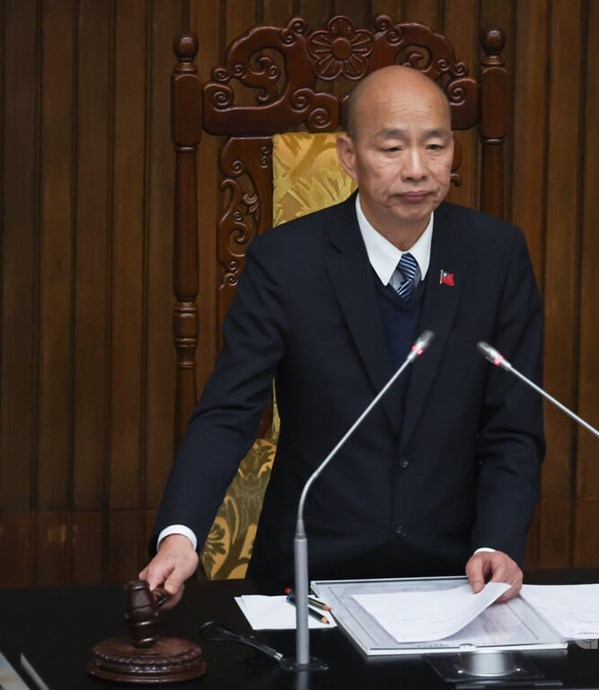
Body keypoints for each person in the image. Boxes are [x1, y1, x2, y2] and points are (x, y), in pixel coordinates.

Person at [140, 65, 545, 608]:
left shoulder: (496, 257)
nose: (417, 169)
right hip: (308, 577)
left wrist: (497, 539)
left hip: (455, 578)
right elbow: (229, 412)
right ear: (348, 155)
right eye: (392, 148)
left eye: (435, 146)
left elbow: (513, 427)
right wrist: (180, 535)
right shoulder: (286, 262)